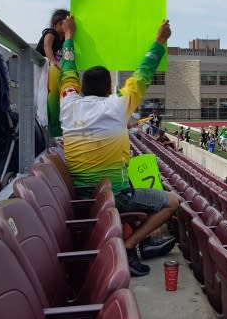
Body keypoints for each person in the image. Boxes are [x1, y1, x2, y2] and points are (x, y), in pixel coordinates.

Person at [58, 15, 179, 277]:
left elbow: (67, 69)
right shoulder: (116, 106)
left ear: (81, 87)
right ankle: (130, 244)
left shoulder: (68, 104)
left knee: (139, 187)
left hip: (81, 196)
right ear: (109, 89)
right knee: (172, 201)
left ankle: (144, 242)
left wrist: (68, 36)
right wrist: (160, 40)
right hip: (115, 195)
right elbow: (143, 73)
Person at [36, 9, 69, 139]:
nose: (64, 26)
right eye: (62, 23)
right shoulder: (50, 33)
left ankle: (57, 127)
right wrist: (53, 61)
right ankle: (49, 126)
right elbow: (47, 47)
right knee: (47, 97)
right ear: (55, 24)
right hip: (45, 66)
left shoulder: (64, 38)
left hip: (55, 69)